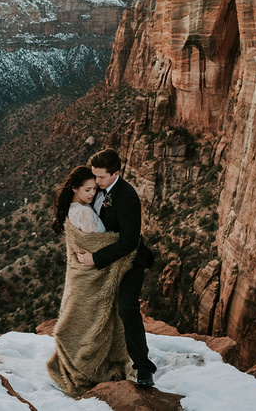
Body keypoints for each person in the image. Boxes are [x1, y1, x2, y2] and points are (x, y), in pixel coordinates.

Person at [46, 166, 136, 397]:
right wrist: (123, 240)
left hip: (79, 273)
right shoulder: (83, 213)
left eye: (95, 189)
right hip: (91, 273)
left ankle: (73, 361)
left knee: (82, 320)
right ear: (75, 189)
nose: (92, 194)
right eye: (87, 190)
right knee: (95, 322)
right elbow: (101, 243)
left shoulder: (73, 208)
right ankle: (90, 367)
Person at [77, 148, 157, 387]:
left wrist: (96, 258)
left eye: (101, 177)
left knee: (127, 307)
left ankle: (144, 368)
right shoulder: (96, 188)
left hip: (129, 260)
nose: (96, 181)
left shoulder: (128, 197)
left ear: (116, 174)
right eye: (94, 176)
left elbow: (129, 242)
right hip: (103, 258)